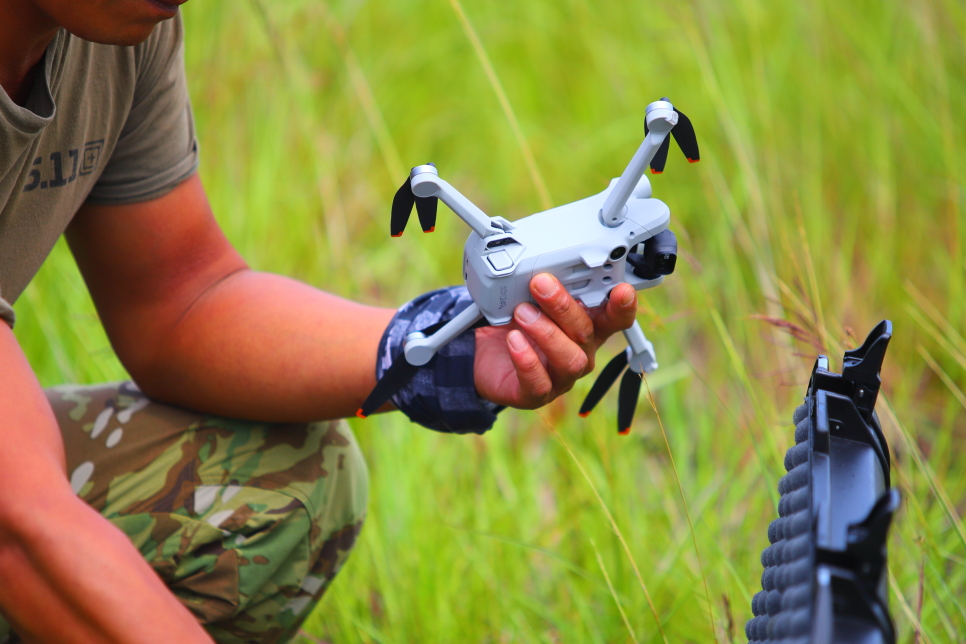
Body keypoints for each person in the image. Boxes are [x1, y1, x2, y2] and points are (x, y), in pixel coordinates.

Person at [0, 1, 640, 643]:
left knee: (283, 486)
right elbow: (20, 528)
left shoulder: (120, 31)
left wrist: (443, 345)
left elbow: (177, 301)